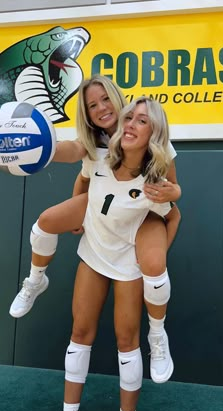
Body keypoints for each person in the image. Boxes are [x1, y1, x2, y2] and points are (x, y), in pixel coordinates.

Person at [9, 75, 181, 385]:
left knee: (151, 274)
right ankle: (35, 280)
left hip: (140, 214)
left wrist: (174, 196)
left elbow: (171, 193)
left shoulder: (148, 129)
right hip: (102, 204)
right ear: (86, 114)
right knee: (45, 222)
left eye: (105, 99)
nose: (101, 107)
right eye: (92, 105)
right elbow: (77, 166)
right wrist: (25, 150)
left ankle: (158, 337)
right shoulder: (94, 146)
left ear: (118, 99)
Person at [60, 96, 181, 411]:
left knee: (127, 339)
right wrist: (77, 215)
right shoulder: (98, 155)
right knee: (80, 332)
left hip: (129, 259)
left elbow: (173, 213)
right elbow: (81, 179)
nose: (130, 125)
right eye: (130, 118)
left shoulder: (154, 179)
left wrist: (152, 260)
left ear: (154, 134)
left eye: (142, 121)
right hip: (95, 251)